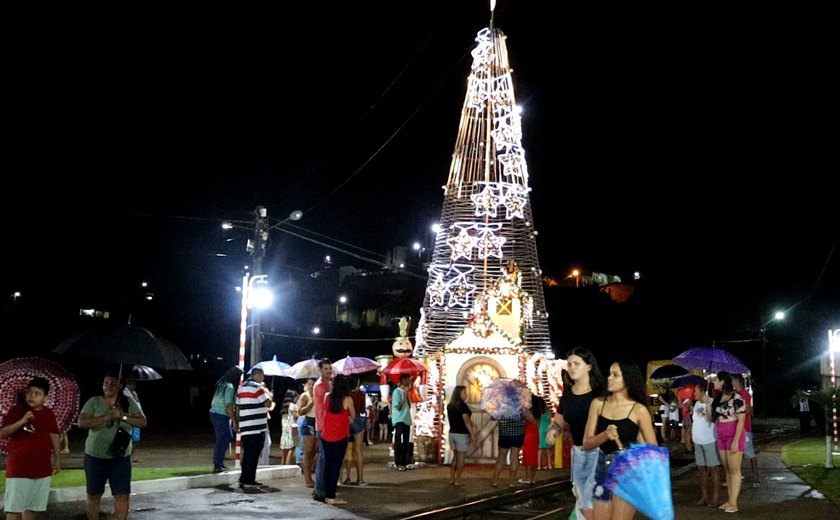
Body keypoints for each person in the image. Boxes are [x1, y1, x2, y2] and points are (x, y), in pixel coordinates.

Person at [583, 360, 657, 520]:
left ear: (628, 380)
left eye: (615, 375)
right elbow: (587, 444)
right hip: (600, 469)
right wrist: (604, 435)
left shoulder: (639, 410)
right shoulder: (597, 404)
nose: (609, 378)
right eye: (609, 373)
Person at [545, 346, 605, 520]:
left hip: (600, 453)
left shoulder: (600, 394)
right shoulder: (568, 396)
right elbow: (559, 421)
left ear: (589, 366)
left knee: (591, 498)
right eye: (569, 364)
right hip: (579, 453)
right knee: (581, 497)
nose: (571, 367)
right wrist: (553, 431)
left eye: (576, 363)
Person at [77, 371, 146, 520]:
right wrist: (106, 417)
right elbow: (82, 423)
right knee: (94, 495)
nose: (108, 386)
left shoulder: (128, 402)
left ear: (120, 386)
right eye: (106, 383)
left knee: (122, 495)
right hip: (95, 457)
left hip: (120, 458)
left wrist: (123, 416)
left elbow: (142, 422)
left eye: (113, 384)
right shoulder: (94, 401)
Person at [0, 377, 62, 520]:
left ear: (45, 397)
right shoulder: (17, 410)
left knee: (32, 508)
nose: (32, 396)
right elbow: (4, 432)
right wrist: (22, 421)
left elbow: (54, 435)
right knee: (14, 509)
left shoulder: (49, 413)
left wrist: (57, 458)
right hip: (19, 469)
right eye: (29, 392)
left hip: (41, 469)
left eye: (37, 393)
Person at [705, 371, 746, 513]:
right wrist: (708, 405)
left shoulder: (737, 398)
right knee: (727, 469)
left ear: (723, 381)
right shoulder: (717, 398)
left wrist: (735, 441)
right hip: (721, 434)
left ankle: (734, 503)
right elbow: (711, 419)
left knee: (735, 470)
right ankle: (729, 500)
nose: (714, 382)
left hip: (734, 434)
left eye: (716, 379)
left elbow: (742, 420)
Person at [321, 374, 355, 506]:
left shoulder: (327, 397)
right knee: (335, 466)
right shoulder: (347, 399)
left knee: (328, 465)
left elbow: (324, 414)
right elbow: (353, 415)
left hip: (326, 436)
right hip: (340, 437)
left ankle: (326, 494)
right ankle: (331, 497)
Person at [235, 367, 273, 488]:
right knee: (254, 454)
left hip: (245, 425)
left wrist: (237, 422)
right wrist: (269, 395)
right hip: (257, 427)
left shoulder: (241, 388)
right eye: (262, 376)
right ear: (256, 375)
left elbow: (238, 406)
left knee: (247, 453)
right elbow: (268, 404)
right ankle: (250, 478)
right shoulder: (258, 388)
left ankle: (244, 477)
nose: (263, 379)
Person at [691, 380, 721, 507]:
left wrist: (709, 405)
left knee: (714, 469)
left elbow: (710, 419)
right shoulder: (697, 403)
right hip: (697, 441)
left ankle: (716, 497)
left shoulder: (712, 402)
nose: (694, 394)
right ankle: (704, 496)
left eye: (696, 391)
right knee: (701, 470)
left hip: (709, 441)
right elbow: (694, 422)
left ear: (703, 391)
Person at [209, 366, 242, 474]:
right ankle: (217, 464)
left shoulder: (221, 383)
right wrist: (235, 422)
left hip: (214, 413)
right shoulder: (229, 387)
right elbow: (228, 406)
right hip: (220, 414)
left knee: (225, 438)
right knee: (223, 439)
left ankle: (219, 462)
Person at [731, 373, 759, 487]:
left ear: (737, 381)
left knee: (750, 453)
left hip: (745, 428)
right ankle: (737, 477)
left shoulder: (745, 394)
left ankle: (756, 478)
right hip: (736, 428)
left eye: (732, 380)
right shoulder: (735, 395)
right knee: (737, 455)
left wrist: (737, 410)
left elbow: (748, 411)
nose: (732, 383)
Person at [446, 384, 476, 486]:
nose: (466, 395)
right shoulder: (462, 406)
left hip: (452, 433)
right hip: (461, 434)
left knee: (455, 456)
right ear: (459, 394)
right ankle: (458, 480)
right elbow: (466, 421)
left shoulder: (450, 405)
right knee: (461, 458)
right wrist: (472, 434)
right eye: (464, 392)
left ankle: (452, 478)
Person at [312, 358, 333, 501]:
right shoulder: (320, 385)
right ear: (320, 370)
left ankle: (323, 486)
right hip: (322, 425)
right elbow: (324, 409)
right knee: (323, 458)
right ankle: (319, 488)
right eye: (325, 369)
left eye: (329, 368)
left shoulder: (328, 384)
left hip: (328, 425)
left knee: (327, 457)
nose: (328, 371)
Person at [489, 415, 526, 487]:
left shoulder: (502, 405)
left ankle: (495, 480)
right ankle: (511, 482)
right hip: (518, 434)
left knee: (501, 458)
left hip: (505, 434)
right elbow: (525, 416)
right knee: (514, 458)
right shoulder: (521, 404)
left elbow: (493, 417)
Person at [519, 394, 546, 485]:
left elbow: (531, 420)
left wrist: (525, 414)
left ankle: (528, 477)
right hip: (535, 435)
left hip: (529, 436)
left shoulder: (531, 412)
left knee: (528, 456)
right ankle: (532, 478)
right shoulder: (538, 412)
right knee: (533, 456)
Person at [390, 373, 413, 471]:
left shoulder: (405, 392)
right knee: (398, 442)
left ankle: (405, 461)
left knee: (406, 442)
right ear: (403, 380)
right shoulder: (397, 392)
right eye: (408, 379)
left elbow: (409, 406)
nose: (410, 381)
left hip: (407, 419)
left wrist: (407, 395)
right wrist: (405, 396)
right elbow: (398, 407)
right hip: (399, 420)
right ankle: (398, 462)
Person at [296, 378, 317, 487]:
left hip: (317, 423)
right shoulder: (305, 396)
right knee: (307, 452)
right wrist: (311, 403)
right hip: (308, 421)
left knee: (314, 451)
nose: (312, 386)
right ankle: (307, 479)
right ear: (306, 385)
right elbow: (299, 411)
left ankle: (310, 475)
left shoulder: (319, 394)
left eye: (314, 384)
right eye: (310, 384)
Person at [122, 378, 143, 463]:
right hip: (129, 418)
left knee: (136, 439)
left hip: (137, 418)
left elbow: (138, 405)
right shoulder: (124, 393)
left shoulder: (134, 393)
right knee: (128, 438)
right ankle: (126, 456)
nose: (134, 385)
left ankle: (132, 456)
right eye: (133, 383)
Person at [279, 390, 298, 465]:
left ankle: (282, 463)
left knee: (284, 449)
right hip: (292, 429)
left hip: (285, 429)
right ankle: (287, 465)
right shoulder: (293, 405)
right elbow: (296, 416)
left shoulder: (284, 406)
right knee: (291, 448)